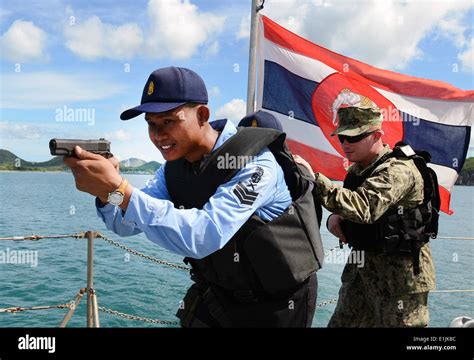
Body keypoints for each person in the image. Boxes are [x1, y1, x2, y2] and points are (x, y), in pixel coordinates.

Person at [63, 66, 324, 327]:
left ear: (202, 114)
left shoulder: (255, 164)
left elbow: (205, 234)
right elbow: (126, 223)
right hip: (220, 295)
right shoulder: (171, 170)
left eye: (169, 121)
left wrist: (120, 189)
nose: (158, 135)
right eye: (151, 125)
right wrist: (108, 194)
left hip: (278, 303)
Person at [294, 106, 438, 327]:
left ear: (377, 135)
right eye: (342, 137)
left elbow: (364, 207)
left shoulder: (398, 169)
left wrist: (314, 179)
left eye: (355, 137)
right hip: (362, 270)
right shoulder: (357, 171)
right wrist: (336, 217)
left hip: (400, 278)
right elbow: (351, 205)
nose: (346, 144)